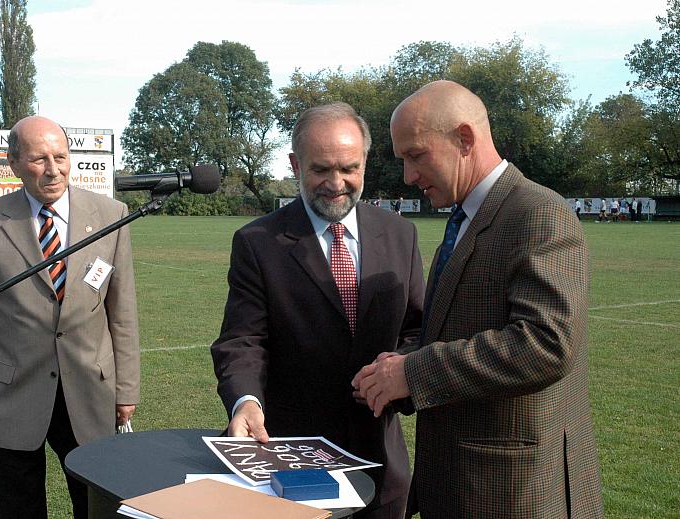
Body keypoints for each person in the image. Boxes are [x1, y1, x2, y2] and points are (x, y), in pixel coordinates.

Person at [352, 81, 604, 518]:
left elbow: (545, 344)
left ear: (464, 139)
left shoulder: (538, 212)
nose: (408, 176)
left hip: (512, 492)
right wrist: (392, 372)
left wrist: (413, 371)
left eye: (416, 155)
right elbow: (458, 331)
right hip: (464, 484)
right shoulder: (467, 216)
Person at [211, 102, 425, 519]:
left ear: (365, 161)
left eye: (349, 168)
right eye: (321, 169)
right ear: (295, 164)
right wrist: (246, 402)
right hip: (290, 467)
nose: (336, 182)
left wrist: (400, 370)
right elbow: (242, 340)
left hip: (380, 465)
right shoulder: (258, 242)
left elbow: (418, 327)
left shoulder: (400, 234)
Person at [0, 116, 140, 519]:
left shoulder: (111, 214)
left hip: (90, 389)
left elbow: (122, 313)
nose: (53, 169)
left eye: (61, 157)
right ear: (13, 163)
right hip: (13, 394)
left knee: (96, 506)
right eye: (38, 159)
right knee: (16, 508)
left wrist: (127, 389)